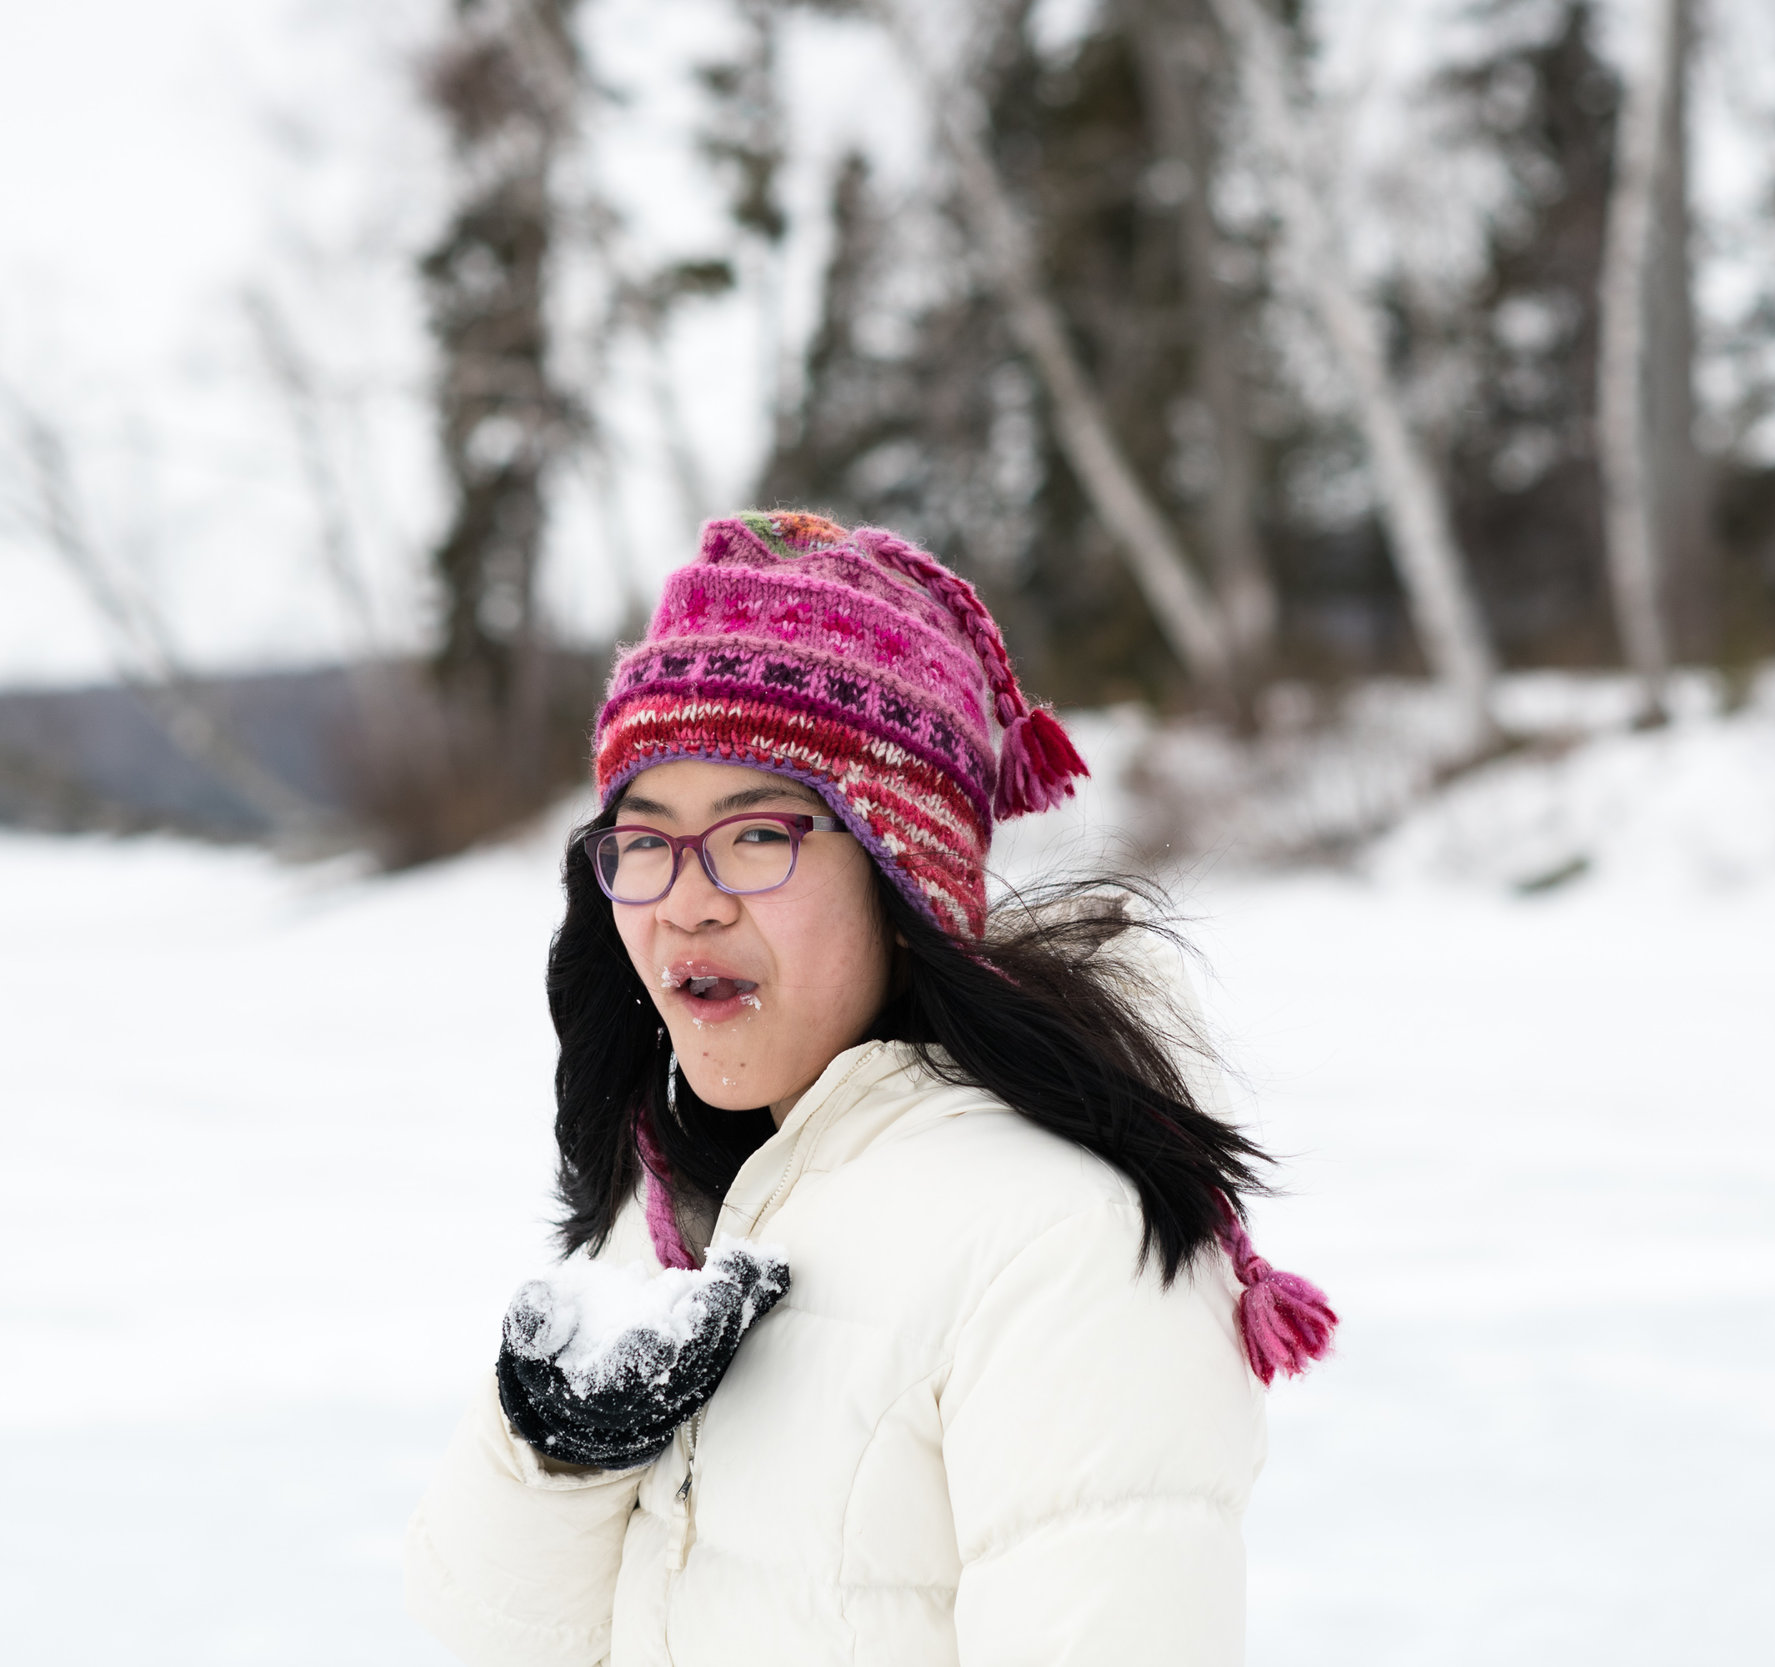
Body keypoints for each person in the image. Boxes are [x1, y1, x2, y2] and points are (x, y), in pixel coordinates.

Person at [406, 511, 1333, 1666]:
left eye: (755, 834)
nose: (686, 900)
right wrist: (553, 1460)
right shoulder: (675, 1210)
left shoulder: (1065, 1244)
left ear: (902, 879)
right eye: (643, 840)